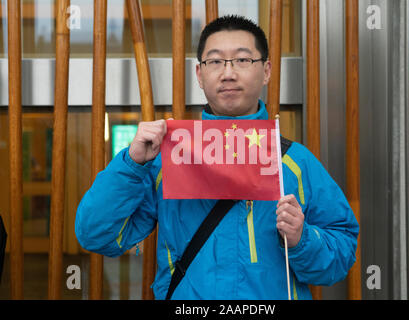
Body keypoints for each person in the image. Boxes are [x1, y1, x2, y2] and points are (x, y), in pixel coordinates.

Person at [75, 15, 359, 300]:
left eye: (243, 60)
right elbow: (96, 235)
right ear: (199, 74)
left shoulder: (296, 163)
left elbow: (340, 258)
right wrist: (132, 165)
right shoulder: (168, 162)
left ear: (267, 71)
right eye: (215, 61)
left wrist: (302, 239)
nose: (228, 73)